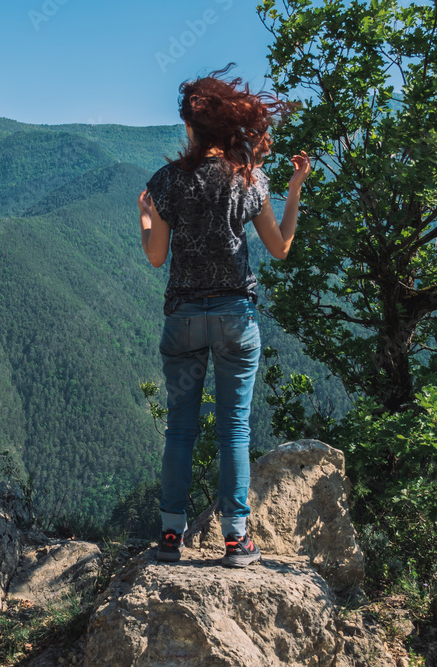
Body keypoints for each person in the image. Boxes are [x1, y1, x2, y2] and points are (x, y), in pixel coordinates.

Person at [139, 65, 311, 567]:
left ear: (192, 128)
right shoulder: (248, 178)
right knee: (234, 429)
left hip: (185, 317)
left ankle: (171, 536)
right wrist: (295, 188)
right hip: (236, 316)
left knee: (180, 428)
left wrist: (147, 216)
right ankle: (236, 538)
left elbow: (155, 257)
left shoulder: (168, 181)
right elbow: (279, 248)